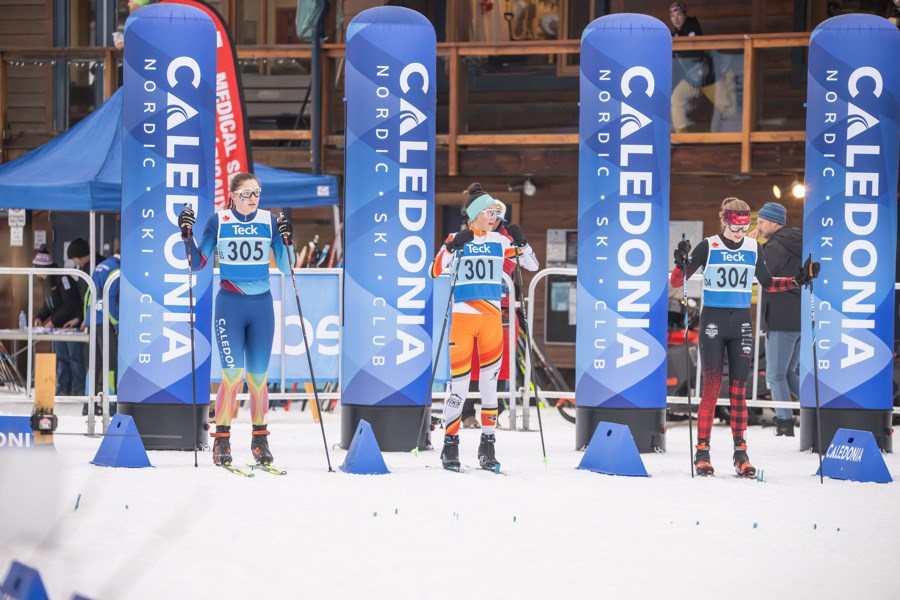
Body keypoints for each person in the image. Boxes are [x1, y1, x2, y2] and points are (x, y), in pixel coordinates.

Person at [671, 198, 819, 477]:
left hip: (740, 324)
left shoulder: (754, 247)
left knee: (739, 393)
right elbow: (677, 282)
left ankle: (741, 454)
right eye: (734, 222)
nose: (740, 230)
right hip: (713, 323)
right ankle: (702, 452)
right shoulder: (708, 245)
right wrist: (680, 264)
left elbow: (768, 283)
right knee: (712, 390)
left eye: (744, 222)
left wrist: (798, 280)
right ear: (724, 219)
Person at [179, 172, 295, 467]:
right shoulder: (219, 221)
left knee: (258, 379)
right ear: (232, 196)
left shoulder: (268, 221)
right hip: (230, 305)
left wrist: (287, 239)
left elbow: (285, 266)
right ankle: (222, 440)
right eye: (246, 193)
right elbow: (199, 261)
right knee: (232, 377)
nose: (252, 198)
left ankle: (260, 439)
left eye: (256, 192)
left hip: (262, 306)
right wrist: (187, 235)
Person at [430, 183, 539, 471]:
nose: (493, 217)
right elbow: (435, 270)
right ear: (475, 214)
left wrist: (522, 241)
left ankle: (487, 445)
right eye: (489, 212)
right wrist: (453, 246)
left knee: (490, 389)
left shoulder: (501, 242)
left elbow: (531, 265)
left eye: (496, 213)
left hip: (491, 321)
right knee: (460, 388)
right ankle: (450, 444)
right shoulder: (456, 237)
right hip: (463, 321)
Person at [461, 201, 518, 429]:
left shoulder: (504, 240)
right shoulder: (465, 237)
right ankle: (467, 413)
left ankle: (495, 412)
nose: (492, 222)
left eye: (497, 219)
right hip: (471, 306)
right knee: (469, 360)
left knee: (499, 362)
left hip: (501, 307)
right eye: (489, 216)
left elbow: (512, 266)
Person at [748, 202, 802, 437]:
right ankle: (818, 409)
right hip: (799, 317)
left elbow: (760, 272)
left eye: (760, 221)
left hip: (781, 317)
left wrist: (750, 245)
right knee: (789, 373)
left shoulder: (777, 245)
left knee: (776, 375)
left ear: (773, 222)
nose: (758, 226)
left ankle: (784, 423)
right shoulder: (798, 240)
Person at [65, 238, 120, 404]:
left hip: (94, 321)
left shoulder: (99, 267)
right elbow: (109, 301)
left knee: (94, 363)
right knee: (110, 364)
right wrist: (116, 323)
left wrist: (87, 319)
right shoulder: (115, 270)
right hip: (106, 323)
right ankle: (110, 402)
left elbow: (89, 296)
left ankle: (89, 403)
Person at [669, 2, 737, 132]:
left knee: (727, 108)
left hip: (707, 78)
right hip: (691, 80)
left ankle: (736, 134)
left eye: (679, 15)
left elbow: (690, 45)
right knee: (676, 100)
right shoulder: (674, 36)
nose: (676, 19)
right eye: (673, 17)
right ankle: (683, 136)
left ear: (685, 15)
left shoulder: (692, 25)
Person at [32, 245, 86, 396]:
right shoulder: (45, 281)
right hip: (58, 327)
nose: (36, 275)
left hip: (71, 324)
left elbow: (70, 304)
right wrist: (39, 317)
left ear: (45, 268)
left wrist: (53, 321)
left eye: (37, 271)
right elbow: (48, 304)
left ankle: (78, 390)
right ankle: (63, 389)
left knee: (74, 359)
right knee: (61, 359)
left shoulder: (62, 278)